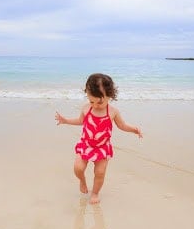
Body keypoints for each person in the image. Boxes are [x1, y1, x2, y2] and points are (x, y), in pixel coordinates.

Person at [55, 73, 143, 204]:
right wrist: (66, 120)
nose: (95, 105)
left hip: (102, 148)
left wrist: (134, 129)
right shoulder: (86, 108)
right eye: (91, 101)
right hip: (86, 145)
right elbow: (81, 121)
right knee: (78, 168)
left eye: (100, 101)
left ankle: (95, 193)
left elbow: (122, 125)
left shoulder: (113, 112)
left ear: (110, 96)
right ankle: (82, 180)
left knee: (100, 172)